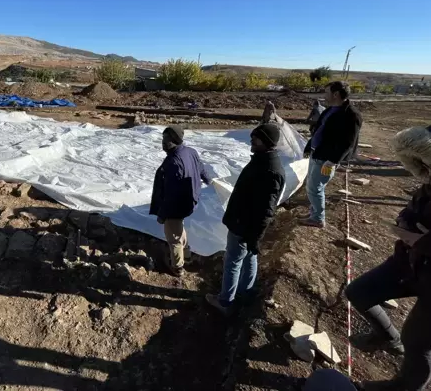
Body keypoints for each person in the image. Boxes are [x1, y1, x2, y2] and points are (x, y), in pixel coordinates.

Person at [345, 122, 431, 391]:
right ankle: (386, 337)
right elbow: (414, 207)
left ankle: (404, 388)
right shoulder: (430, 183)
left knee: (418, 343)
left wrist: (423, 241)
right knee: (359, 291)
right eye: (423, 163)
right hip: (410, 264)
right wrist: (405, 219)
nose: (428, 169)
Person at [206, 123, 285, 315]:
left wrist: (255, 237)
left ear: (266, 142)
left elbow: (267, 210)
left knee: (233, 261)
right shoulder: (262, 161)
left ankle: (225, 302)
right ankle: (245, 292)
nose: (251, 140)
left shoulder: (270, 171)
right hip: (245, 224)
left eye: (255, 138)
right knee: (250, 257)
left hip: (244, 225)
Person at [149, 126, 211, 277]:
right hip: (190, 200)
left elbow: (171, 195)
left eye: (166, 140)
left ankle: (177, 267)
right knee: (178, 228)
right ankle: (187, 254)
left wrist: (162, 214)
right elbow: (201, 168)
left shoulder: (173, 162)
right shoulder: (190, 152)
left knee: (173, 236)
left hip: (177, 205)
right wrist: (208, 180)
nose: (163, 143)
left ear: (174, 140)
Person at [299, 81, 362, 228]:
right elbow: (318, 130)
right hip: (317, 153)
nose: (324, 95)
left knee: (316, 188)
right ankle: (314, 212)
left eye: (327, 92)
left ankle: (318, 219)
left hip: (327, 158)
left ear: (336, 94)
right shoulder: (330, 110)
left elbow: (348, 142)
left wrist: (333, 161)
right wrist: (309, 147)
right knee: (311, 186)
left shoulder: (351, 115)